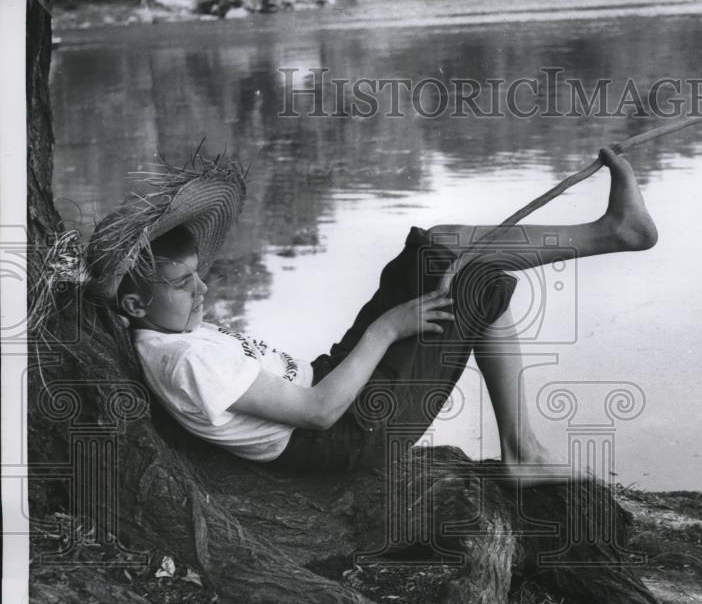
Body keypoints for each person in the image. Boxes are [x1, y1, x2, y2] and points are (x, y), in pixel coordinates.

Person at [85, 147, 657, 480]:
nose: (203, 288)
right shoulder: (183, 359)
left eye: (198, 273)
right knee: (460, 266)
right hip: (352, 434)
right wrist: (389, 328)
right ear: (134, 304)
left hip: (334, 381)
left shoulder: (170, 334)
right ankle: (525, 452)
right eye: (184, 283)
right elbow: (316, 414)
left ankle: (523, 448)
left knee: (448, 259)